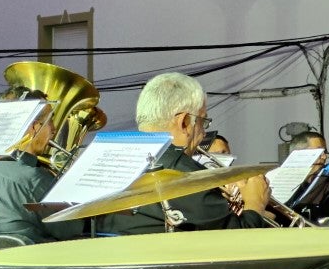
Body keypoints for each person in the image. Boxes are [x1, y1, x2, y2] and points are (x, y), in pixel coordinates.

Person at [98, 73, 270, 234]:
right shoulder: (186, 175)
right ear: (184, 122)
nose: (203, 133)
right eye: (203, 122)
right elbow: (235, 240)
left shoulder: (108, 160)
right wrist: (255, 204)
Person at [0, 100, 85, 243]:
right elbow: (69, 229)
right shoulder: (35, 177)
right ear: (34, 127)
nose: (54, 129)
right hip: (38, 251)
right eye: (50, 121)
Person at [286, 130, 329, 221]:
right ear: (299, 154)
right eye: (319, 152)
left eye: (325, 152)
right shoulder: (283, 187)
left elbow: (327, 218)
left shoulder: (321, 185)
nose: (324, 157)